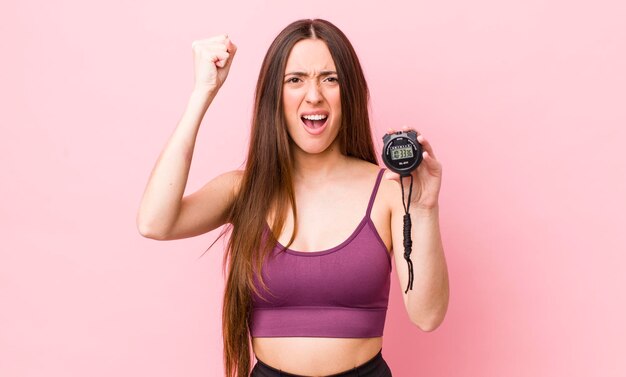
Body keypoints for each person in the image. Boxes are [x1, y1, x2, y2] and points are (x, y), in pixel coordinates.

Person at [137, 18, 449, 377]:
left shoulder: (390, 190)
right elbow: (154, 222)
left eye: (330, 79)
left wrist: (424, 208)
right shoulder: (244, 191)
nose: (313, 95)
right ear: (275, 95)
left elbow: (427, 316)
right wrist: (202, 94)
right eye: (295, 80)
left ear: (348, 92)